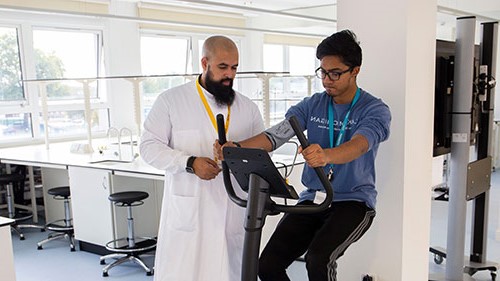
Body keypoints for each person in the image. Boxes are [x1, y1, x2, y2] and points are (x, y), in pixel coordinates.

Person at [214, 30, 391, 281]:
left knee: (318, 260)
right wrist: (236, 148)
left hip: (353, 202)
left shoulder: (374, 109)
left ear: (355, 71)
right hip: (314, 199)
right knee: (267, 265)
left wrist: (326, 156)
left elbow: (360, 144)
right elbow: (275, 136)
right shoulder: (313, 104)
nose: (327, 79)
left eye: (335, 73)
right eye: (323, 71)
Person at [140, 35, 265, 281]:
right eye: (223, 67)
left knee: (230, 270)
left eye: (234, 68)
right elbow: (148, 147)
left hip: (233, 209)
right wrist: (189, 163)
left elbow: (262, 152)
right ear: (204, 63)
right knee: (186, 272)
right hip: (190, 211)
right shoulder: (171, 101)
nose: (229, 74)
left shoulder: (248, 108)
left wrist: (237, 153)